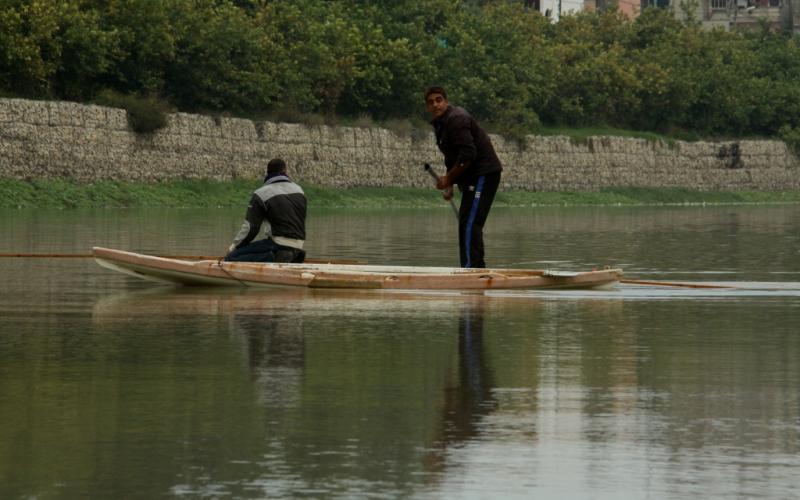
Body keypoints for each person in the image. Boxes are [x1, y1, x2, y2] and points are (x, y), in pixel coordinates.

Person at [424, 86, 503, 269]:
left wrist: (447, 178)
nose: (435, 105)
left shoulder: (457, 119)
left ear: (446, 101)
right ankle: (476, 269)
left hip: (484, 173)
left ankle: (471, 270)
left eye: (438, 100)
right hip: (470, 178)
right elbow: (451, 155)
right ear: (427, 107)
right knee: (467, 223)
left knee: (470, 223)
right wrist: (450, 184)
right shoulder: (440, 123)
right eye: (430, 102)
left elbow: (467, 155)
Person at [224, 158, 307, 263]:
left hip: (278, 245)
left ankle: (272, 257)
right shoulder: (299, 190)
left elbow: (251, 228)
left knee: (232, 257)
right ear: (285, 171)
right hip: (299, 246)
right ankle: (294, 256)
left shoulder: (261, 194)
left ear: (267, 172)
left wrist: (233, 247)